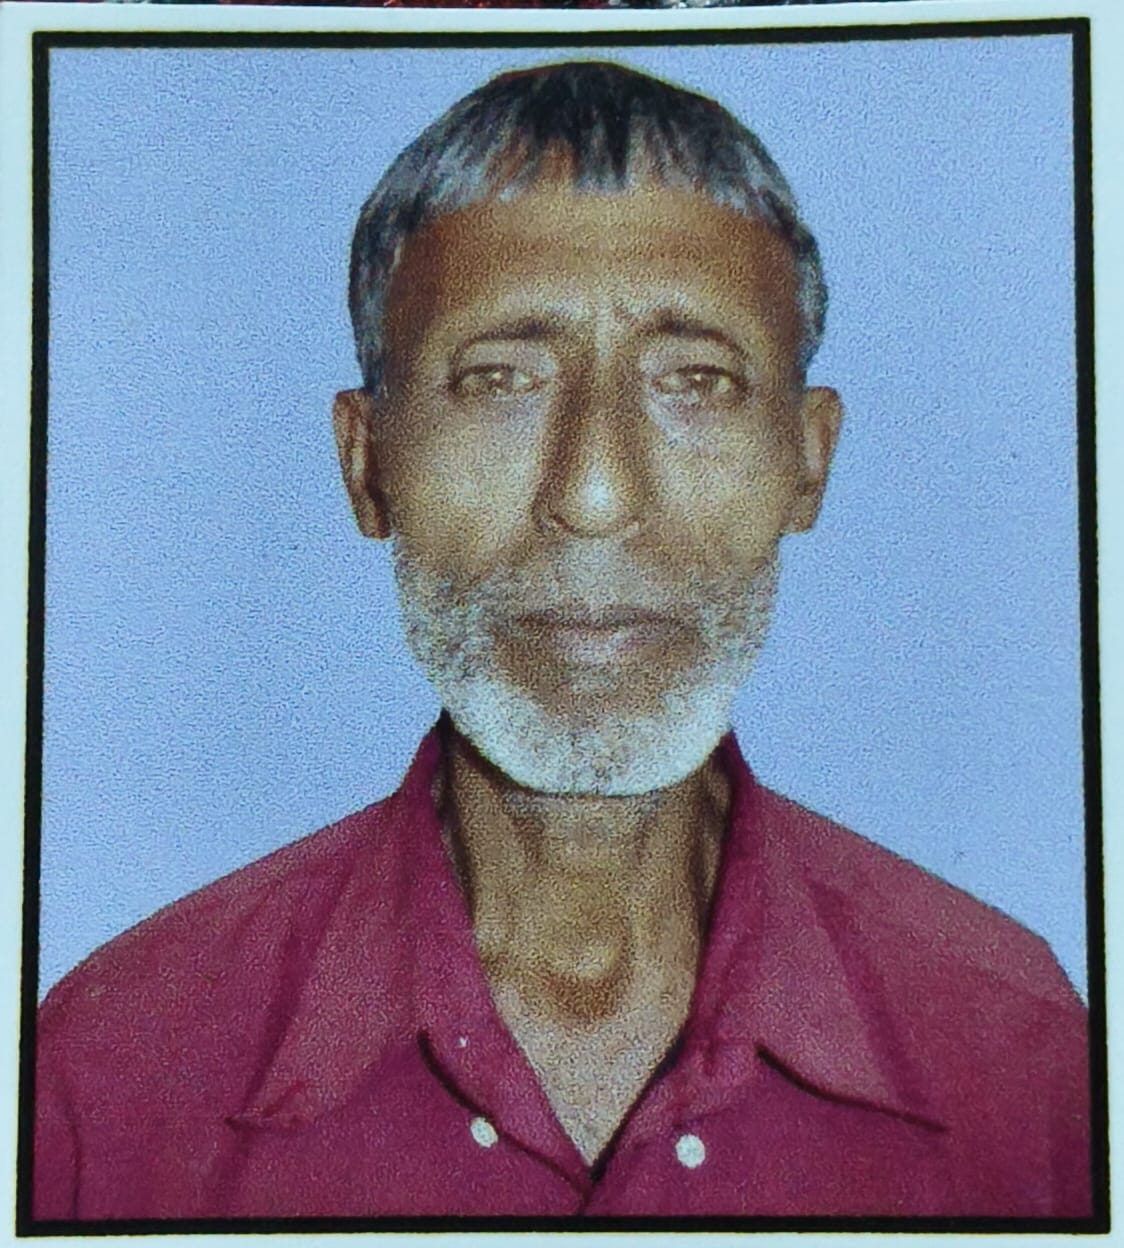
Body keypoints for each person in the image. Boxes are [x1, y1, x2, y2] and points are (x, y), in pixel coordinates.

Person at [33, 59, 1090, 1221]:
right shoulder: (113, 1075)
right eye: (499, 379)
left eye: (696, 381)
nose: (593, 492)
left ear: (808, 458)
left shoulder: (1017, 1055)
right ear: (365, 461)